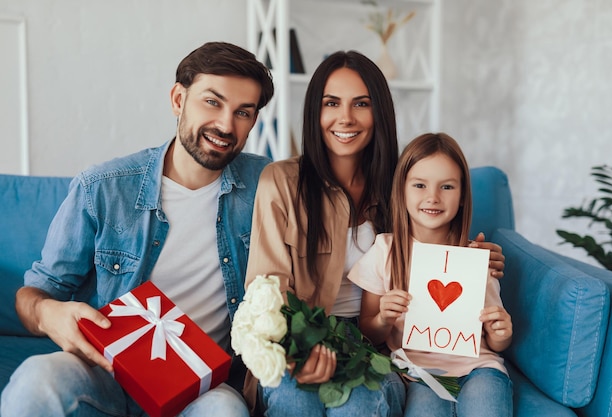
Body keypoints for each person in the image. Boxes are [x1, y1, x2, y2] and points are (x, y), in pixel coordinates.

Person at [1, 41, 274, 417]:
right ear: (178, 99)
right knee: (37, 378)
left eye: (243, 112)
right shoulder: (102, 187)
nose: (226, 125)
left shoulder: (269, 185)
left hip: (202, 387)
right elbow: (34, 295)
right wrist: (50, 313)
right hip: (106, 371)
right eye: (212, 102)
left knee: (226, 412)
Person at [243, 50, 505, 417]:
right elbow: (268, 285)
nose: (345, 118)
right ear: (314, 112)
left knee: (362, 403)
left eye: (361, 104)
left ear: (379, 111)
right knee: (294, 398)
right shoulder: (283, 181)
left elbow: (438, 240)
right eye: (331, 103)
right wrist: (301, 345)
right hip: (304, 334)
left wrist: (473, 256)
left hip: (379, 344)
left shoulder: (402, 181)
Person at [348, 132, 514, 417]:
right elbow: (368, 331)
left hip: (479, 367)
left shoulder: (475, 257)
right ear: (401, 190)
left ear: (462, 196)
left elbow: (496, 338)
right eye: (420, 185)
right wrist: (384, 317)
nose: (432, 197)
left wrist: (502, 333)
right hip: (418, 373)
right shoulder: (385, 250)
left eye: (447, 186)